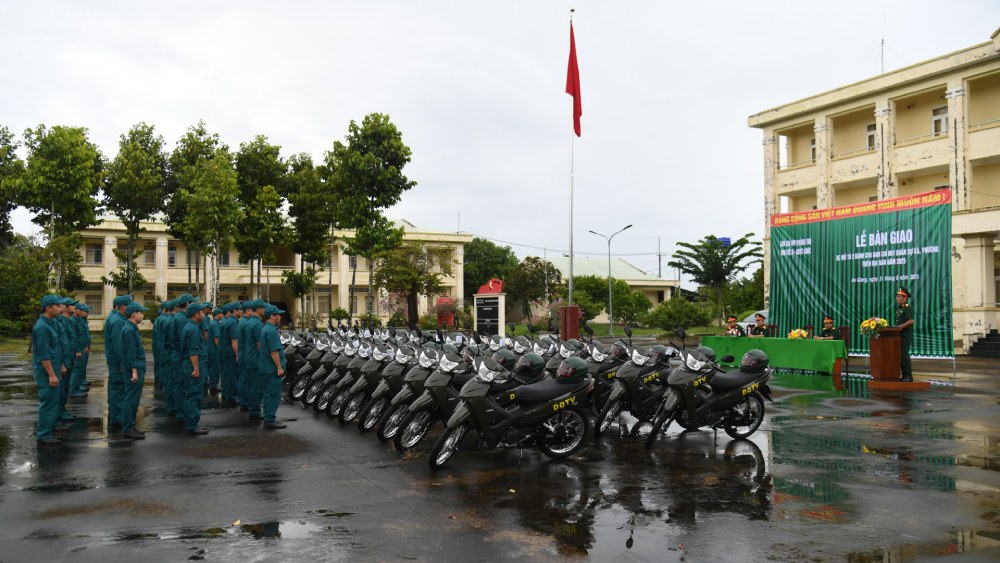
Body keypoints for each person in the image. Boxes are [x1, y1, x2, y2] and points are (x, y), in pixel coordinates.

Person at [33, 295, 66, 446]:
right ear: (48, 308)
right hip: (46, 373)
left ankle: (48, 431)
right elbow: (43, 355)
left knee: (53, 402)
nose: (61, 309)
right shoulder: (42, 327)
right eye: (57, 306)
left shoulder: (50, 323)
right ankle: (43, 435)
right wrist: (52, 374)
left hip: (53, 370)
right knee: (48, 403)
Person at [119, 302, 149, 440]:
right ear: (133, 314)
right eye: (140, 312)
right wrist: (134, 371)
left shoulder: (131, 328)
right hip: (134, 369)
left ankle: (130, 426)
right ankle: (127, 428)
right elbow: (130, 353)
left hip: (135, 368)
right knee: (131, 400)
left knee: (133, 399)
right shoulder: (129, 330)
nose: (143, 314)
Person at [180, 301, 209, 435]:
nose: (203, 314)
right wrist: (196, 369)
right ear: (196, 314)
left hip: (188, 366)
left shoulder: (190, 327)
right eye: (202, 312)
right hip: (193, 367)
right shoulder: (192, 329)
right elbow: (193, 352)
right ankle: (192, 424)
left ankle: (191, 422)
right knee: (194, 395)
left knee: (190, 395)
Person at [104, 295, 132, 430]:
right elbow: (118, 345)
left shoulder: (115, 318)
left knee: (115, 388)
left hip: (115, 361)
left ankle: (115, 415)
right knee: (118, 389)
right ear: (123, 307)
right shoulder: (117, 321)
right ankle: (117, 417)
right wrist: (123, 363)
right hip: (117, 362)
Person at [258, 304, 288, 429]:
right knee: (273, 394)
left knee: (268, 393)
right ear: (272, 316)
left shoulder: (266, 328)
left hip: (266, 367)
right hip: (271, 368)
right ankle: (270, 419)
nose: (280, 317)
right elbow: (274, 351)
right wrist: (279, 367)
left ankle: (268, 416)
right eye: (278, 315)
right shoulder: (270, 330)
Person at [170, 294, 196, 421]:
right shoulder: (181, 319)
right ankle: (181, 413)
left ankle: (180, 411)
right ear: (187, 304)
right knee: (181, 384)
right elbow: (183, 340)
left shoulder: (181, 316)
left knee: (180, 384)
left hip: (179, 354)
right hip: (180, 356)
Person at [55, 298, 80, 428]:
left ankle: (62, 411)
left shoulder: (68, 321)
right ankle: (58, 416)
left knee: (65, 390)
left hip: (68, 359)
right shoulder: (60, 322)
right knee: (60, 391)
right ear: (64, 307)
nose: (75, 308)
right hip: (63, 361)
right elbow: (59, 344)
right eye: (73, 305)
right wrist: (62, 364)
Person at [245, 300, 266, 420]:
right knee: (256, 387)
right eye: (263, 308)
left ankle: (253, 408)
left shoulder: (249, 322)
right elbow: (260, 344)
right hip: (256, 359)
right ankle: (255, 410)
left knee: (252, 385)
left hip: (250, 357)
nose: (264, 310)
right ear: (258, 309)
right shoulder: (257, 324)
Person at [69, 302, 92, 397]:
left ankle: (78, 385)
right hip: (78, 348)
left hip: (83, 347)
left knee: (81, 368)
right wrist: (78, 350)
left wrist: (87, 345)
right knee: (77, 369)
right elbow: (74, 337)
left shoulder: (79, 320)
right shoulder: (73, 321)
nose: (87, 313)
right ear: (78, 310)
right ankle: (73, 390)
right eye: (85, 311)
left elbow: (84, 334)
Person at [895, 287, 915, 382]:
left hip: (906, 334)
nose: (897, 298)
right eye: (897, 296)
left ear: (905, 298)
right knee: (900, 355)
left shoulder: (908, 308)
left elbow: (911, 321)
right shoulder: (899, 308)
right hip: (899, 334)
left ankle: (908, 376)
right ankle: (903, 375)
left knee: (904, 355)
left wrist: (900, 327)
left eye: (899, 296)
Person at [208, 306, 223, 393]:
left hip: (212, 349)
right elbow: (216, 338)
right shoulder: (214, 324)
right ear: (218, 314)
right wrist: (219, 348)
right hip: (214, 350)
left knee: (213, 367)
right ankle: (213, 384)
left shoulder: (214, 323)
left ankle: (213, 383)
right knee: (214, 367)